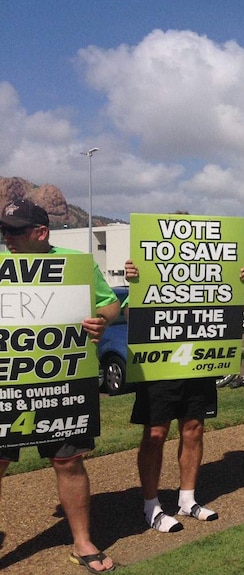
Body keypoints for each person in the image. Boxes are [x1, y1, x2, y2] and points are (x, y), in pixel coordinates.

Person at [0, 199, 120, 573]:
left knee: (68, 461)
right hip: (8, 382)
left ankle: (82, 541)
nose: (7, 239)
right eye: (4, 231)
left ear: (41, 233)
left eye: (15, 231)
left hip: (63, 381)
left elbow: (110, 304)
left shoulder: (75, 264)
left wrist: (99, 321)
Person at [124, 253, 244, 533]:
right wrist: (135, 284)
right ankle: (151, 506)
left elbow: (240, 309)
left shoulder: (214, 274)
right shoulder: (149, 273)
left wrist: (239, 283)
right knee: (155, 434)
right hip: (159, 364)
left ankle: (187, 499)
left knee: (193, 428)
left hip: (199, 362)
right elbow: (130, 316)